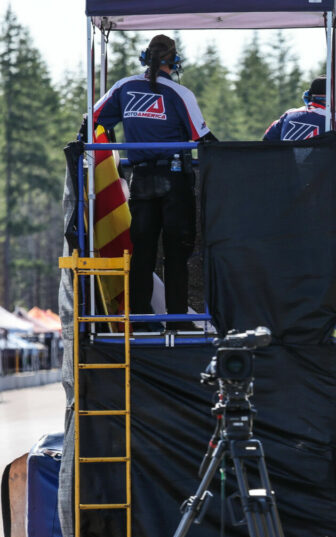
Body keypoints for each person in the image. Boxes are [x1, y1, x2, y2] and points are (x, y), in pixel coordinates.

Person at [91, 35, 217, 328]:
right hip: (174, 181)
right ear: (173, 62)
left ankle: (140, 318)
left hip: (141, 180)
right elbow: (204, 139)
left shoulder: (123, 87)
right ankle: (175, 320)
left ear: (144, 58)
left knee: (142, 254)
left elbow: (93, 118)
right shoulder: (179, 93)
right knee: (176, 254)